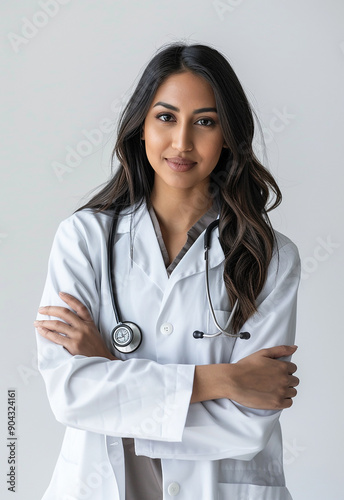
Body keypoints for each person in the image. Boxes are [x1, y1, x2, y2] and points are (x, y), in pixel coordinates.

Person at [34, 42, 300, 500]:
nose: (182, 142)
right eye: (166, 117)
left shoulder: (268, 255)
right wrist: (223, 380)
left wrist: (112, 371)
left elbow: (248, 424)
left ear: (228, 135)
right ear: (141, 127)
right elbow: (71, 393)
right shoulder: (84, 239)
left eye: (205, 121)